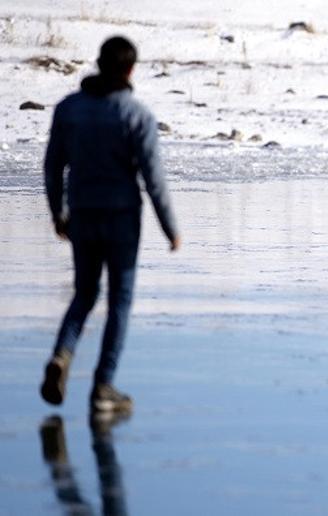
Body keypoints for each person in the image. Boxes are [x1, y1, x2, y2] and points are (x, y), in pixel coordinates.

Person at [41, 35, 180, 413]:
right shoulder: (137, 115)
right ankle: (104, 386)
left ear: (99, 63)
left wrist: (58, 212)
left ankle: (61, 356)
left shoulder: (68, 110)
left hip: (82, 215)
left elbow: (54, 166)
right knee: (119, 300)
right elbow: (153, 178)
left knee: (85, 293)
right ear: (130, 69)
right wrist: (170, 228)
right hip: (121, 219)